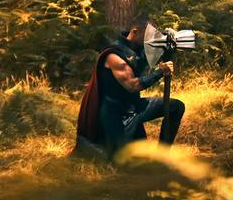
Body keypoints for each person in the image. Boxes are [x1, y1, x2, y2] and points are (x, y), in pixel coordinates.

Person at [74, 16, 186, 159]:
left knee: (176, 107)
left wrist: (169, 40)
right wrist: (160, 72)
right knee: (120, 159)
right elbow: (132, 85)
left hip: (135, 106)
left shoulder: (139, 47)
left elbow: (160, 52)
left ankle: (162, 155)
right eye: (148, 35)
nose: (150, 39)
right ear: (135, 32)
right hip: (116, 114)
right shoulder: (114, 55)